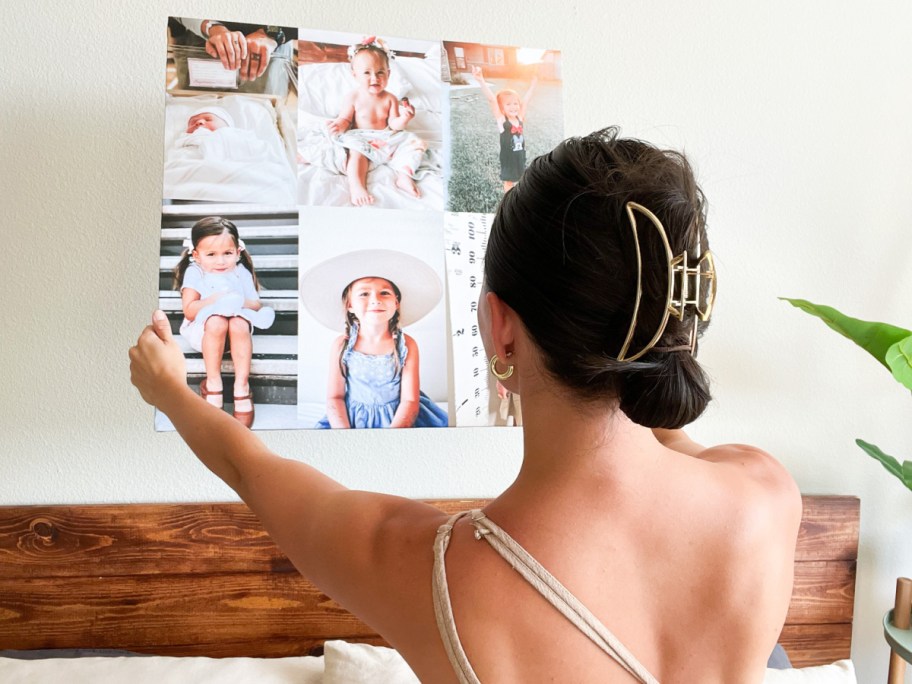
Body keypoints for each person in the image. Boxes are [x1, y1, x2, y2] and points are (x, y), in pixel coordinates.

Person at [131, 128, 802, 682]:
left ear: (499, 326)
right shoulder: (765, 493)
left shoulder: (442, 575)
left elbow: (250, 468)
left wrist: (169, 389)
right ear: (679, 312)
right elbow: (663, 428)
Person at [299, 249, 448, 429]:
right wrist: (344, 433)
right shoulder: (342, 345)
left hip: (399, 418)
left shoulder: (406, 345)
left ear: (396, 303)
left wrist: (392, 436)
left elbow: (409, 400)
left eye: (384, 293)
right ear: (350, 305)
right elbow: (334, 397)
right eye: (364, 294)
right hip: (353, 419)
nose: (375, 300)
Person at [172, 216, 275, 428]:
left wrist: (236, 302)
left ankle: (242, 387)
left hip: (236, 335)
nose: (220, 261)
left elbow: (255, 304)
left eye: (227, 253)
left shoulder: (240, 271)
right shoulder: (195, 272)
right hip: (205, 332)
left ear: (237, 252)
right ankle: (213, 383)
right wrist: (216, 300)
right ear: (197, 255)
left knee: (238, 323)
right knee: (217, 321)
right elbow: (190, 311)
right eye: (211, 254)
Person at [327, 36, 428, 206]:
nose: (375, 78)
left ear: (388, 74)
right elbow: (345, 118)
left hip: (386, 137)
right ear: (355, 75)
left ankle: (404, 177)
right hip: (362, 137)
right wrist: (339, 125)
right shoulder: (353, 96)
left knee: (415, 143)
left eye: (380, 72)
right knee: (356, 153)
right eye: (367, 73)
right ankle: (357, 186)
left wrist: (404, 118)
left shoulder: (390, 98)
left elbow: (394, 125)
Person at [472, 64, 537, 192]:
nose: (513, 107)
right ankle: (508, 202)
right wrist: (481, 80)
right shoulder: (502, 121)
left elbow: (526, 100)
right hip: (508, 159)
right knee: (509, 182)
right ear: (502, 108)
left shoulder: (519, 118)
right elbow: (492, 100)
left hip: (520, 156)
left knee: (522, 179)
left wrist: (533, 84)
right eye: (508, 104)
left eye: (515, 103)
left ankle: (519, 198)